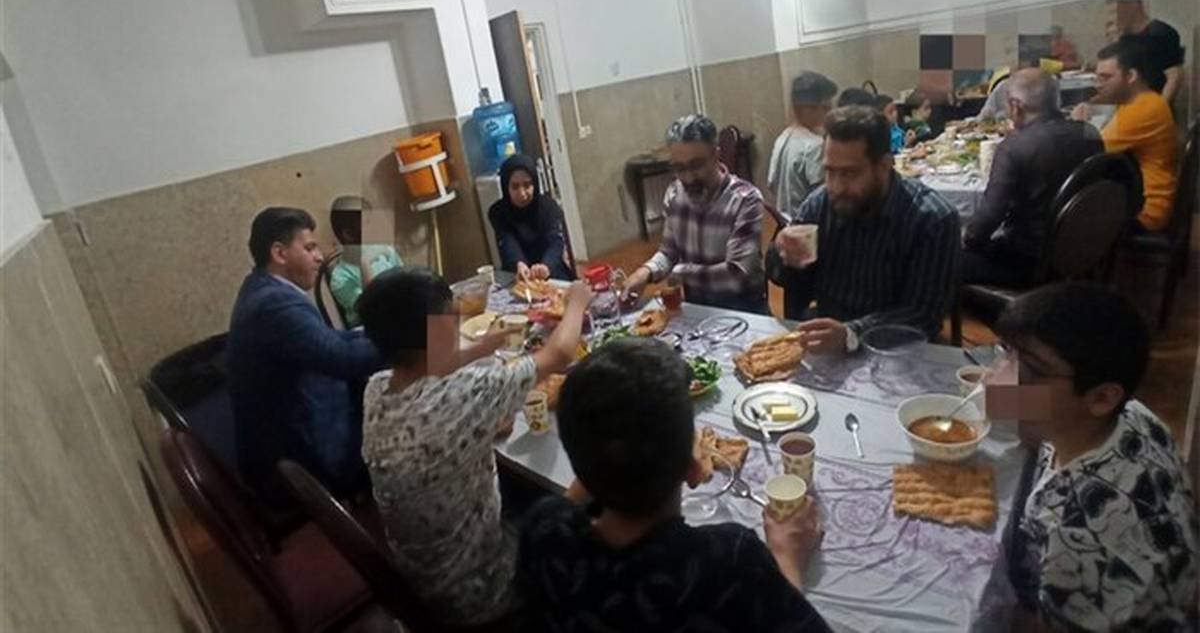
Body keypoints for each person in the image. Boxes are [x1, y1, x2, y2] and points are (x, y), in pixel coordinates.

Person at [518, 337, 831, 633]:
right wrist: (787, 557)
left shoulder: (544, 529)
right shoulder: (729, 561)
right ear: (694, 470)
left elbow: (571, 498)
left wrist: (603, 450)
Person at [358, 267, 592, 627]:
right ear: (436, 331)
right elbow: (560, 353)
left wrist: (487, 344)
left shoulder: (376, 388)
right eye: (452, 316)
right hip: (481, 590)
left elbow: (439, 367)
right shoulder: (462, 392)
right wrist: (576, 300)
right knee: (584, 494)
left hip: (422, 578)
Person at [996, 283, 1198, 632]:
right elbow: (1030, 428)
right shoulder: (1132, 414)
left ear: (1102, 397)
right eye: (1006, 352)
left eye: (1032, 371)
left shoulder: (1076, 530)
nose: (1001, 377)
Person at [766, 106, 960, 350]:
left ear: (885, 165)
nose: (836, 187)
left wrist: (851, 334)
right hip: (829, 344)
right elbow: (786, 280)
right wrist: (781, 251)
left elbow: (923, 315)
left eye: (849, 174)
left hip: (899, 352)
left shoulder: (932, 219)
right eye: (829, 172)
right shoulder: (820, 204)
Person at [226, 207, 382, 506]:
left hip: (295, 433)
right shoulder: (273, 305)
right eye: (309, 248)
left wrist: (375, 334)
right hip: (300, 458)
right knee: (413, 424)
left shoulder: (263, 289)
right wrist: (412, 339)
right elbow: (342, 358)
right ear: (279, 253)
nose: (320, 257)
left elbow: (329, 341)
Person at [962, 69, 1103, 287]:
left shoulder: (1013, 147)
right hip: (1084, 253)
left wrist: (964, 238)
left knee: (943, 257)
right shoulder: (1090, 133)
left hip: (1030, 263)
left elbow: (987, 222)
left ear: (1016, 106)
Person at [622, 115, 767, 313]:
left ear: (716, 155)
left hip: (744, 312)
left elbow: (736, 275)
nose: (689, 178)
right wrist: (644, 273)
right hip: (698, 311)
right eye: (679, 168)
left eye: (697, 165)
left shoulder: (745, 199)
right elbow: (669, 252)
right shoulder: (675, 194)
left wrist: (681, 272)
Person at [1071, 37, 1178, 231]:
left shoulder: (1143, 110)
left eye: (1106, 77)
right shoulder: (1144, 100)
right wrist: (1095, 104)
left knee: (1065, 219)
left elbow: (1091, 152)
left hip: (1145, 211)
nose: (1098, 84)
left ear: (1130, 76)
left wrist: (1080, 123)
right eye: (1097, 77)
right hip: (1139, 196)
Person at [488, 154, 573, 282]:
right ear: (506, 187)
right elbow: (507, 240)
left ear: (535, 184)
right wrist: (519, 262)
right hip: (517, 274)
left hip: (551, 271)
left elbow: (556, 241)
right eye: (515, 187)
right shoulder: (498, 212)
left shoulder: (549, 207)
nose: (522, 193)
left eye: (527, 185)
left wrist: (546, 265)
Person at [768, 71, 837, 220]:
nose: (830, 113)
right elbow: (823, 198)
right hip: (808, 225)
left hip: (784, 223)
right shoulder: (814, 146)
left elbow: (771, 184)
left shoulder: (782, 138)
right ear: (807, 108)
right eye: (826, 107)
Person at [327, 195, 403, 327]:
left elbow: (407, 283)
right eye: (367, 224)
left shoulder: (384, 251)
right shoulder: (340, 278)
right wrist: (365, 263)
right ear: (348, 235)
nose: (375, 230)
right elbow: (373, 308)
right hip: (372, 329)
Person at [1106, 0, 1186, 106]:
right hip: (1128, 107)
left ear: (1133, 6)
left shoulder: (1160, 33)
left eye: (1115, 12)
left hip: (1151, 107)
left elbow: (1174, 77)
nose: (1113, 18)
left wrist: (1158, 109)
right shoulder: (1125, 38)